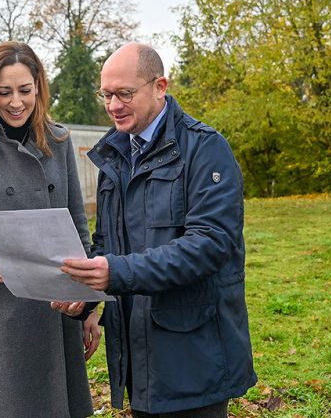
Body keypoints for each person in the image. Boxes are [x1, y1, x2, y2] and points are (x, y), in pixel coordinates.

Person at [60, 42, 257, 417]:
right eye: (106, 94)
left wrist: (115, 273)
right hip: (139, 355)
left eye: (125, 93)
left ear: (160, 86)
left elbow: (210, 244)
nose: (113, 105)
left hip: (193, 355)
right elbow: (107, 244)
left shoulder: (204, 149)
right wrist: (84, 296)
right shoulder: (114, 156)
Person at [0, 41, 100, 418]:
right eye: (4, 92)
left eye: (24, 90)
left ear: (39, 86)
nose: (15, 102)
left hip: (59, 310)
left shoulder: (58, 141)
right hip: (3, 313)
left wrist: (90, 306)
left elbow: (77, 225)